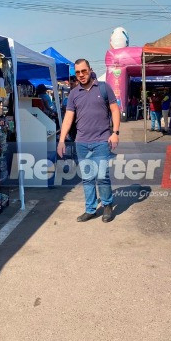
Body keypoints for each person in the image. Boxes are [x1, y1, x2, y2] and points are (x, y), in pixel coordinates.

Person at [57, 58, 120, 223]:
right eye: (77, 72)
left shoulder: (104, 88)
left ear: (90, 70)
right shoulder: (73, 94)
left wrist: (115, 132)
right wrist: (62, 140)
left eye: (84, 71)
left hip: (101, 140)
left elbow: (115, 110)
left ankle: (107, 204)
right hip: (81, 142)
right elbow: (68, 118)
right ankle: (90, 209)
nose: (81, 75)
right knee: (87, 177)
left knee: (101, 175)